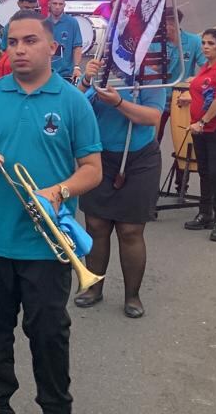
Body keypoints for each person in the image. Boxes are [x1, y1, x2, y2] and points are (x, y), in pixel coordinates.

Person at [0, 10, 104, 414]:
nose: (19, 49)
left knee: (49, 336)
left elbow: (92, 169)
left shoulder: (72, 101)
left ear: (53, 48)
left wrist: (61, 190)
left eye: (30, 41)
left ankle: (55, 405)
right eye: (13, 41)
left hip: (47, 246)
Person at [73, 61, 166, 318]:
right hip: (99, 157)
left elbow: (152, 117)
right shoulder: (98, 68)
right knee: (96, 225)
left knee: (130, 230)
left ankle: (132, 296)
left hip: (138, 159)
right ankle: (93, 287)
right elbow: (72, 106)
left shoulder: (151, 73)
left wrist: (118, 103)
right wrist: (85, 81)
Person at [178, 28, 216, 242]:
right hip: (199, 128)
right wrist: (189, 101)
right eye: (204, 43)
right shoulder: (206, 67)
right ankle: (205, 213)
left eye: (211, 43)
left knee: (215, 172)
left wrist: (202, 122)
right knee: (203, 171)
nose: (205, 47)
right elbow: (202, 91)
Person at [45, 0, 83, 83]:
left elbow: (77, 46)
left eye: (60, 4)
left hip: (66, 75)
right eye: (54, 3)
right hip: (46, 73)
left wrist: (76, 67)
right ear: (49, 4)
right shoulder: (43, 23)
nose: (57, 7)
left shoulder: (72, 22)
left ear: (64, 5)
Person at [164, 8, 205, 83]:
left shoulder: (194, 41)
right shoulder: (154, 43)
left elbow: (207, 67)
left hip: (183, 91)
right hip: (160, 92)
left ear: (176, 23)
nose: (166, 28)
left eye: (170, 24)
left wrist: (197, 79)